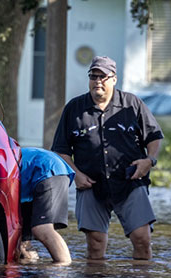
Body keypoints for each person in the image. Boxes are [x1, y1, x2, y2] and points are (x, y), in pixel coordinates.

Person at [51, 56, 163, 261]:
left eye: (103, 77)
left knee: (142, 239)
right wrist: (76, 174)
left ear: (114, 79)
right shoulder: (74, 108)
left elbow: (154, 137)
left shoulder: (132, 104)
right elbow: (61, 150)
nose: (98, 81)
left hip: (130, 182)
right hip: (91, 185)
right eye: (93, 76)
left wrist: (150, 160)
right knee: (95, 244)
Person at [18, 147, 75, 264]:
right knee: (20, 232)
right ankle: (28, 260)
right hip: (38, 174)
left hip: (47, 169)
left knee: (42, 229)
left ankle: (63, 266)